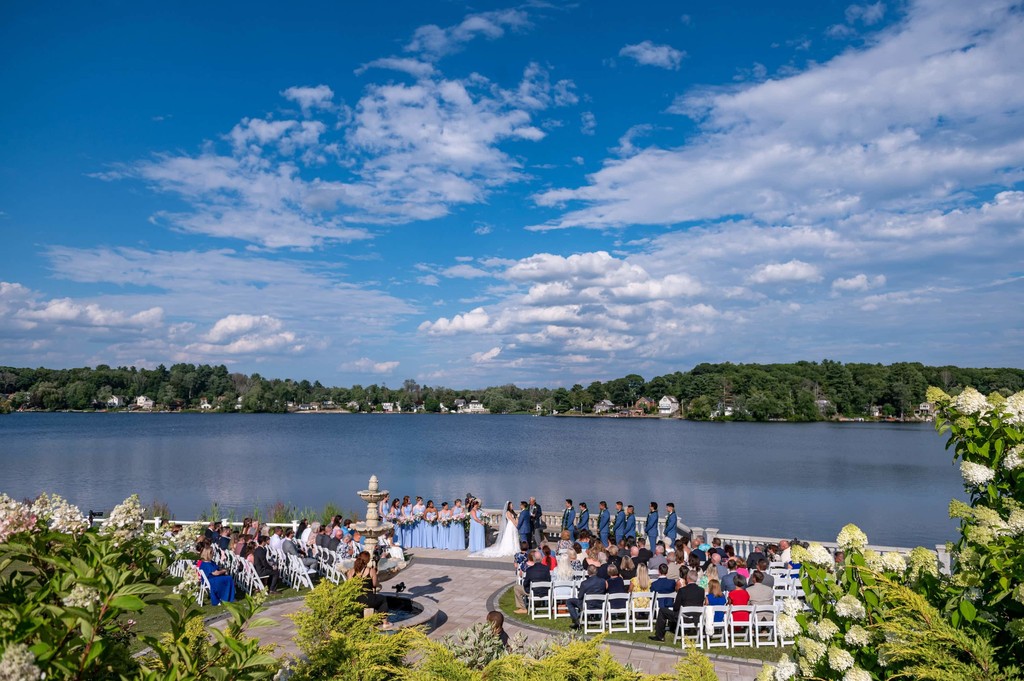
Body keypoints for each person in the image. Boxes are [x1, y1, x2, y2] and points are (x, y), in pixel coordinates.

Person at [650, 569, 704, 641]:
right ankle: (673, 628)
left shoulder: (683, 590)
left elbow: (676, 607)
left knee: (662, 610)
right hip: (696, 617)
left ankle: (660, 636)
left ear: (687, 578)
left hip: (684, 617)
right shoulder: (701, 590)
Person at [566, 564, 606, 629]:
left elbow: (580, 596)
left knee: (569, 601)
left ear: (588, 572)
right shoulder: (603, 581)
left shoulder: (585, 583)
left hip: (587, 605)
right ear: (596, 571)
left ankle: (576, 622)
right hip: (600, 604)